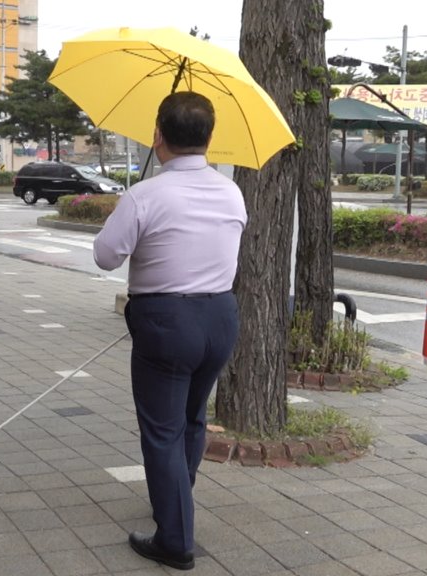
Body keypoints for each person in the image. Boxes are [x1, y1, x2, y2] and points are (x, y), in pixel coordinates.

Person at [93, 92, 247, 571]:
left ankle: (174, 538)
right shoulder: (231, 192)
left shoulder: (147, 194)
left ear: (158, 135)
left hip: (165, 321)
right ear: (209, 138)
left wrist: (130, 210)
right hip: (220, 316)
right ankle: (177, 496)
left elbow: (105, 256)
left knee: (161, 431)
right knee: (193, 418)